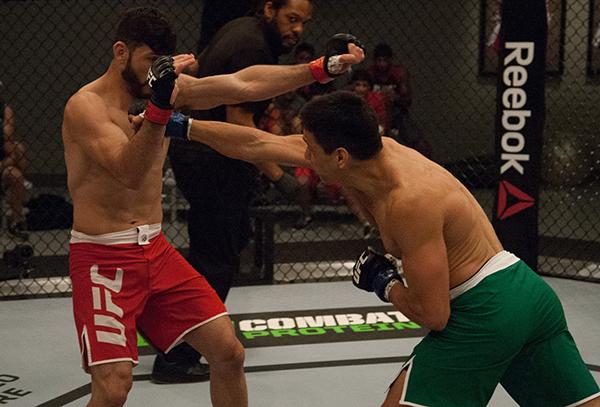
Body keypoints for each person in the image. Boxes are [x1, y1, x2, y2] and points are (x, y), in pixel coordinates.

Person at [165, 91, 600, 407]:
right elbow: (255, 143)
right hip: (527, 294)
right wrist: (180, 125)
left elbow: (435, 315)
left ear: (338, 157)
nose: (302, 156)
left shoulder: (409, 200)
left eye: (309, 149)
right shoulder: (377, 152)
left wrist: (384, 283)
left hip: (484, 310)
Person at [62, 6, 363, 405]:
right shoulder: (86, 108)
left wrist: (317, 69)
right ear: (121, 52)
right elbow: (129, 171)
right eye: (149, 61)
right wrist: (160, 105)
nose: (155, 72)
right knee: (115, 387)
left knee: (228, 352)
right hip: (103, 258)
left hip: (154, 248)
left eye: (161, 64)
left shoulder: (165, 88)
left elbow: (243, 84)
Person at [159, 0, 314, 382]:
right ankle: (178, 356)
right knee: (217, 256)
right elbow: (240, 121)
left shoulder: (242, 29)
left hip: (200, 151)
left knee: (216, 248)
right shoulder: (253, 46)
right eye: (291, 19)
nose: (297, 30)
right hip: (213, 156)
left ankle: (179, 337)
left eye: (303, 23)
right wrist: (282, 177)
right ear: (269, 10)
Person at [0, 80, 29, 239]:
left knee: (18, 148)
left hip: (3, 163)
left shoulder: (4, 109)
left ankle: (15, 219)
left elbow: (7, 135)